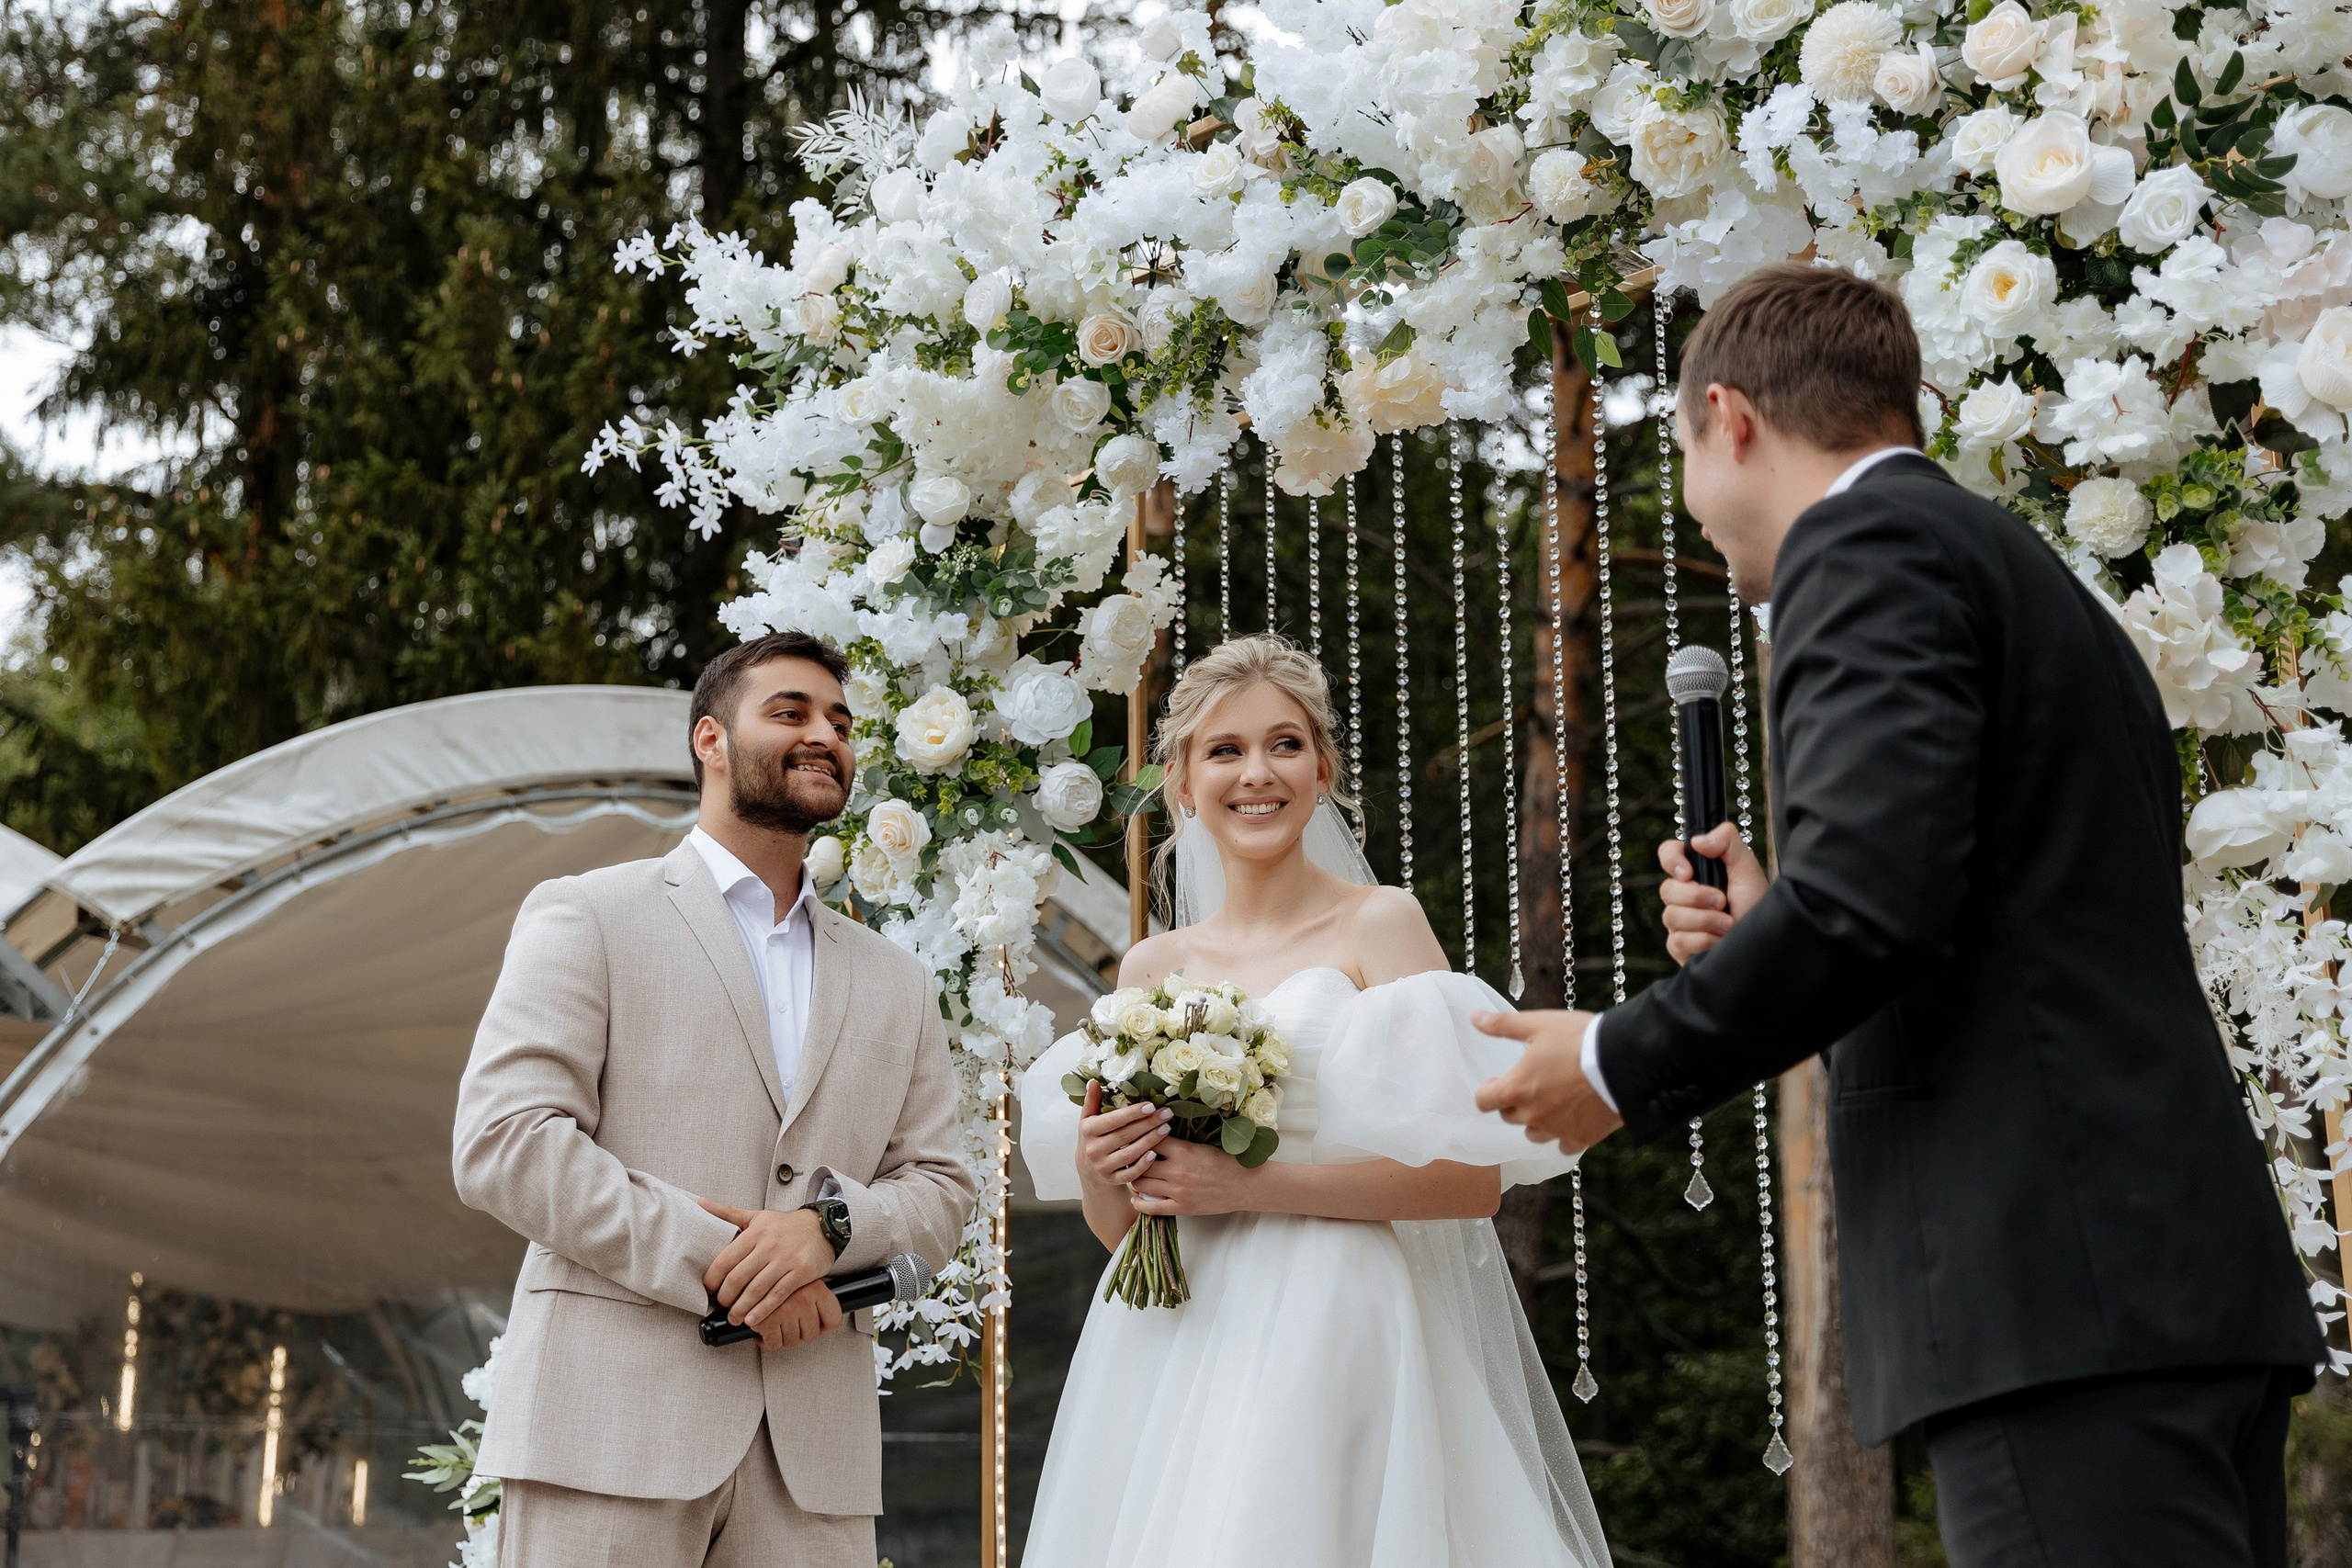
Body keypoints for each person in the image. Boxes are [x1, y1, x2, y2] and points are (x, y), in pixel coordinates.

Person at [1472, 264, 2324, 1566]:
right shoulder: (2015, 565)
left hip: (2055, 1288)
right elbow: (1962, 898)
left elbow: (1875, 899)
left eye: (1692, 463)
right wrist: (1781, 918)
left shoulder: (1860, 546)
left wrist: (1611, 1061)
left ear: (1731, 416)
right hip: (2158, 1271)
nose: (1701, 518)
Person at [1015, 635, 1609, 1568]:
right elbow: (1125, 1231)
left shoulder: (1380, 925)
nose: (1258, 773)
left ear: (1323, 767)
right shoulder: (1151, 967)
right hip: (1175, 1340)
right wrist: (1105, 1166)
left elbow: (1468, 1182)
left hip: (1340, 1325)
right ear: (1180, 781)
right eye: (1224, 750)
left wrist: (1249, 1186)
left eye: (1284, 745)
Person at [451, 630, 975, 1568]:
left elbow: (941, 1187)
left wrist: (824, 1234)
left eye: (841, 722)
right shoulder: (588, 913)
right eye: (791, 711)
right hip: (604, 1437)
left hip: (813, 1467)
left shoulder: (899, 981)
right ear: (710, 740)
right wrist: (735, 1263)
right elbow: (506, 1142)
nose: (825, 734)